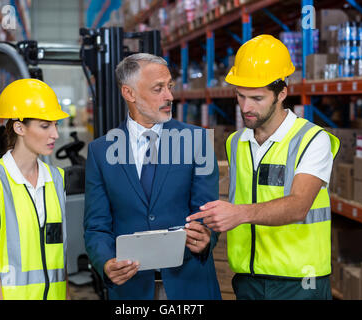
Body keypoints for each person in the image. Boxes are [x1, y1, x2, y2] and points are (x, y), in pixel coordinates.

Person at [187, 34, 340, 300]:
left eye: (257, 98)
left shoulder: (313, 140)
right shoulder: (236, 143)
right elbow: (238, 201)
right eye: (240, 96)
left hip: (299, 283)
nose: (246, 107)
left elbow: (298, 206)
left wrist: (238, 214)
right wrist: (209, 232)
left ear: (282, 93)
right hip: (248, 281)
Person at [84, 53, 221, 300]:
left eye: (169, 87)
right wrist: (105, 263)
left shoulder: (197, 141)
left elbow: (206, 212)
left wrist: (206, 236)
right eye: (158, 89)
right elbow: (96, 226)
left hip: (189, 286)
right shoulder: (100, 152)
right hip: (132, 290)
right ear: (129, 93)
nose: (169, 96)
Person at [0, 78, 70, 300]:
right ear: (19, 127)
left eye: (55, 125)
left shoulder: (56, 180)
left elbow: (57, 256)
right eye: (45, 125)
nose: (55, 135)